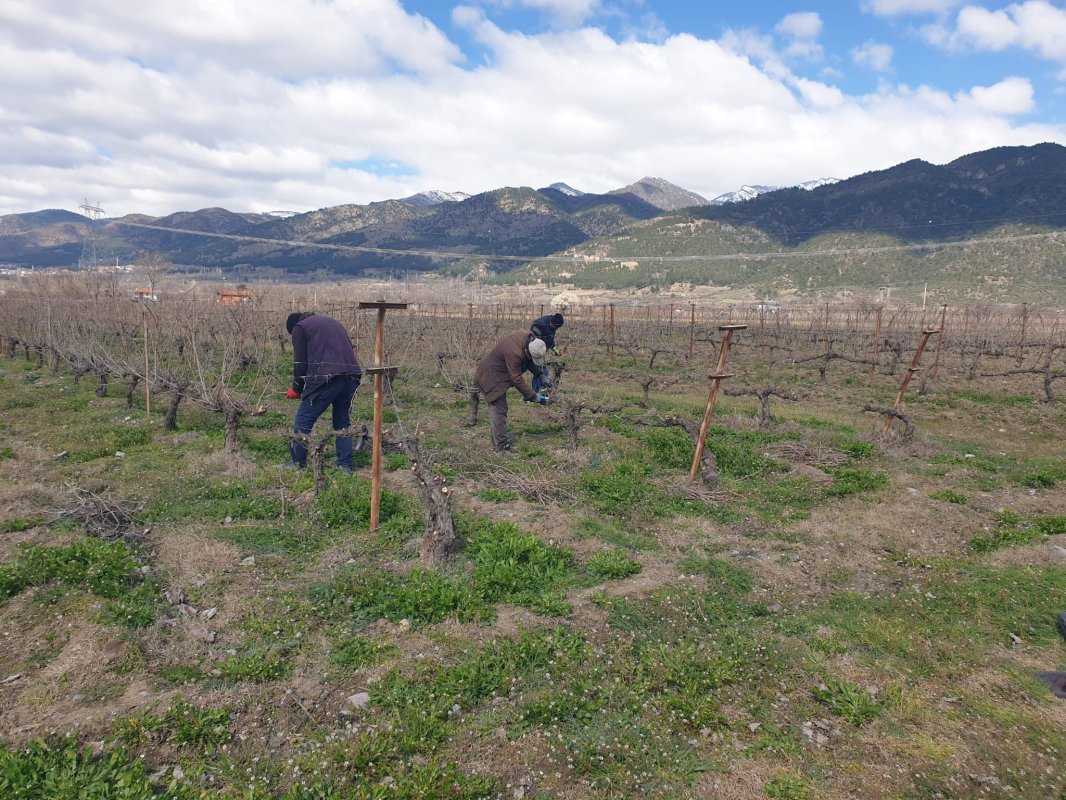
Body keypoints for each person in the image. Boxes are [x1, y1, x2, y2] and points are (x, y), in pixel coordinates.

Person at [284, 312, 362, 472]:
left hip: (326, 377)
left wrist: (296, 388)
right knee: (342, 421)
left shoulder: (300, 327)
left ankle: (297, 463)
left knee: (303, 419)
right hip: (351, 375)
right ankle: (344, 465)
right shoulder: (333, 322)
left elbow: (300, 363)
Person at [473, 331, 549, 452]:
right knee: (499, 410)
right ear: (527, 351)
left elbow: (529, 360)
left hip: (499, 374)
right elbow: (516, 379)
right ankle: (501, 447)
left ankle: (497, 440)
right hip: (491, 377)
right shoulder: (514, 352)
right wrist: (533, 397)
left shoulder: (531, 341)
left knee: (499, 410)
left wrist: (540, 374)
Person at [529, 312, 564, 393]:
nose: (556, 329)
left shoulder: (553, 326)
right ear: (552, 323)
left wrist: (554, 348)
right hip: (535, 351)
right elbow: (532, 340)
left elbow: (550, 339)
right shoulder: (539, 325)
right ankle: (537, 391)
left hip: (541, 351)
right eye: (556, 327)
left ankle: (537, 391)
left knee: (539, 371)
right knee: (541, 371)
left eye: (557, 328)